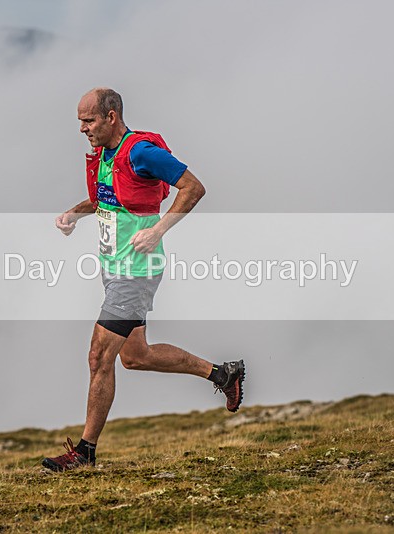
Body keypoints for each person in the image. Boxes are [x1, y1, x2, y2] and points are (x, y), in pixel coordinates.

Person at [42, 88, 245, 472]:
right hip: (114, 268)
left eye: (89, 121)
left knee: (99, 356)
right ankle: (222, 373)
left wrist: (159, 230)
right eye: (80, 121)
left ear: (111, 116)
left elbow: (194, 188)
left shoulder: (141, 152)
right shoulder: (106, 155)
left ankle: (84, 452)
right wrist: (74, 213)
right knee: (135, 357)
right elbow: (107, 198)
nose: (82, 129)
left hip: (134, 272)